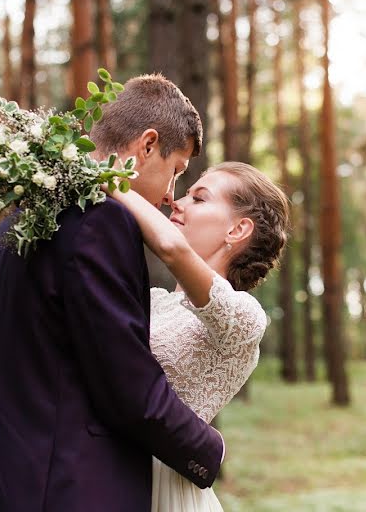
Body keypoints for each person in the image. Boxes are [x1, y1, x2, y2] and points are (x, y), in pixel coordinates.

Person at [0, 75, 224, 511]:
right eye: (175, 171)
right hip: (69, 489)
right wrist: (210, 449)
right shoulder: (100, 224)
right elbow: (127, 385)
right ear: (146, 145)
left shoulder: (21, 219)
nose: (170, 196)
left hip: (5, 482)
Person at [105, 161, 289, 512]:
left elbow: (171, 248)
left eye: (199, 198)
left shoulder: (246, 318)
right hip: (110, 471)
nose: (178, 203)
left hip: (165, 486)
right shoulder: (154, 302)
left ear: (237, 230)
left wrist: (106, 179)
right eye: (185, 194)